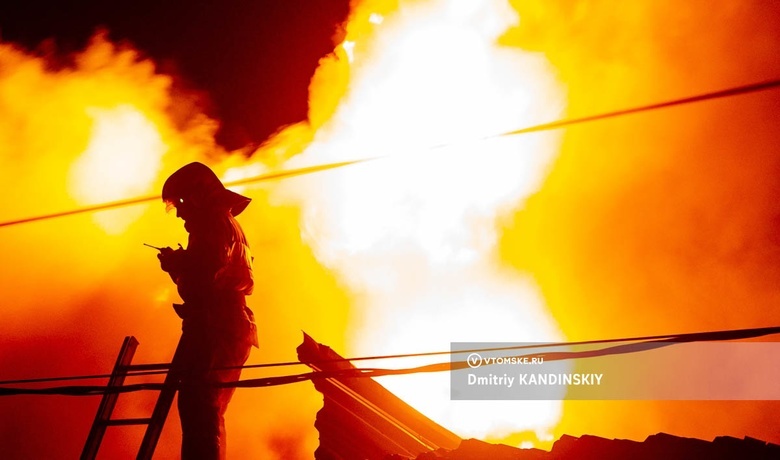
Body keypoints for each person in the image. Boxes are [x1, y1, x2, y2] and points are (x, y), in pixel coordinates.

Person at [156, 162, 259, 460]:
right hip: (229, 325)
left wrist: (177, 266)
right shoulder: (225, 223)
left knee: (200, 407)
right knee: (205, 407)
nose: (180, 212)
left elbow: (205, 276)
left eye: (182, 203)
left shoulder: (210, 223)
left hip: (216, 325)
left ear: (198, 195)